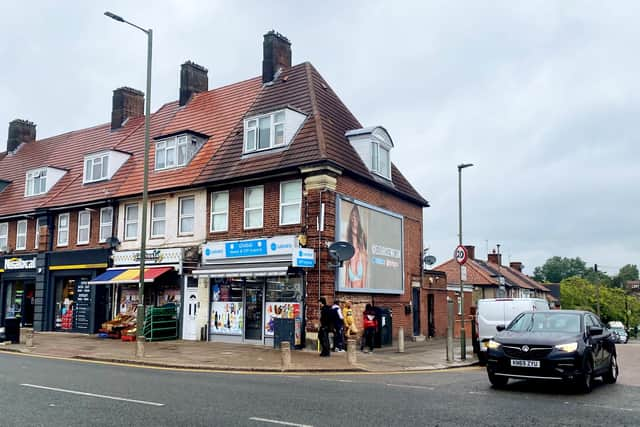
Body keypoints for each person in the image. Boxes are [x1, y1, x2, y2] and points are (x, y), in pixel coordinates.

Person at [344, 204, 368, 288]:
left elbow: (364, 278)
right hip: (351, 271)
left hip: (359, 273)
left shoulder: (362, 236)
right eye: (352, 216)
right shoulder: (349, 237)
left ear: (359, 218)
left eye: (356, 216)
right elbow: (347, 281)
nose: (354, 218)